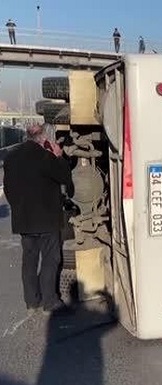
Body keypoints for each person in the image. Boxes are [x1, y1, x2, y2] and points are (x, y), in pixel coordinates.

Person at [2, 124, 74, 315]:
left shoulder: (11, 157)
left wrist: (18, 207)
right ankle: (49, 301)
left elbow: (8, 189)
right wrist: (59, 157)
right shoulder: (45, 157)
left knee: (29, 261)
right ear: (44, 139)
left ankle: (31, 301)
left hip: (24, 219)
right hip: (47, 219)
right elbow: (65, 177)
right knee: (51, 259)